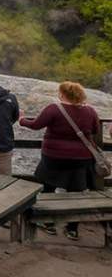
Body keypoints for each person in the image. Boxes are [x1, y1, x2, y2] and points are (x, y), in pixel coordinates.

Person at [20, 81, 102, 240]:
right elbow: (95, 130)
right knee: (77, 192)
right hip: (81, 158)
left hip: (54, 158)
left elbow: (36, 125)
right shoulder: (90, 111)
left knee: (48, 187)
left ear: (62, 94)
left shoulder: (54, 109)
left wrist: (22, 119)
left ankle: (48, 223)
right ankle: (72, 229)